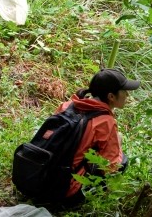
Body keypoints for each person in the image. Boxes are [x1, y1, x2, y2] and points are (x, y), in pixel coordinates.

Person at [55, 68, 140, 207]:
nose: (128, 95)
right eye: (124, 91)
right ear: (111, 96)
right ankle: (102, 199)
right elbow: (111, 167)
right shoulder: (105, 122)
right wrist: (117, 143)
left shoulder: (67, 105)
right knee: (123, 161)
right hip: (67, 192)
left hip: (42, 175)